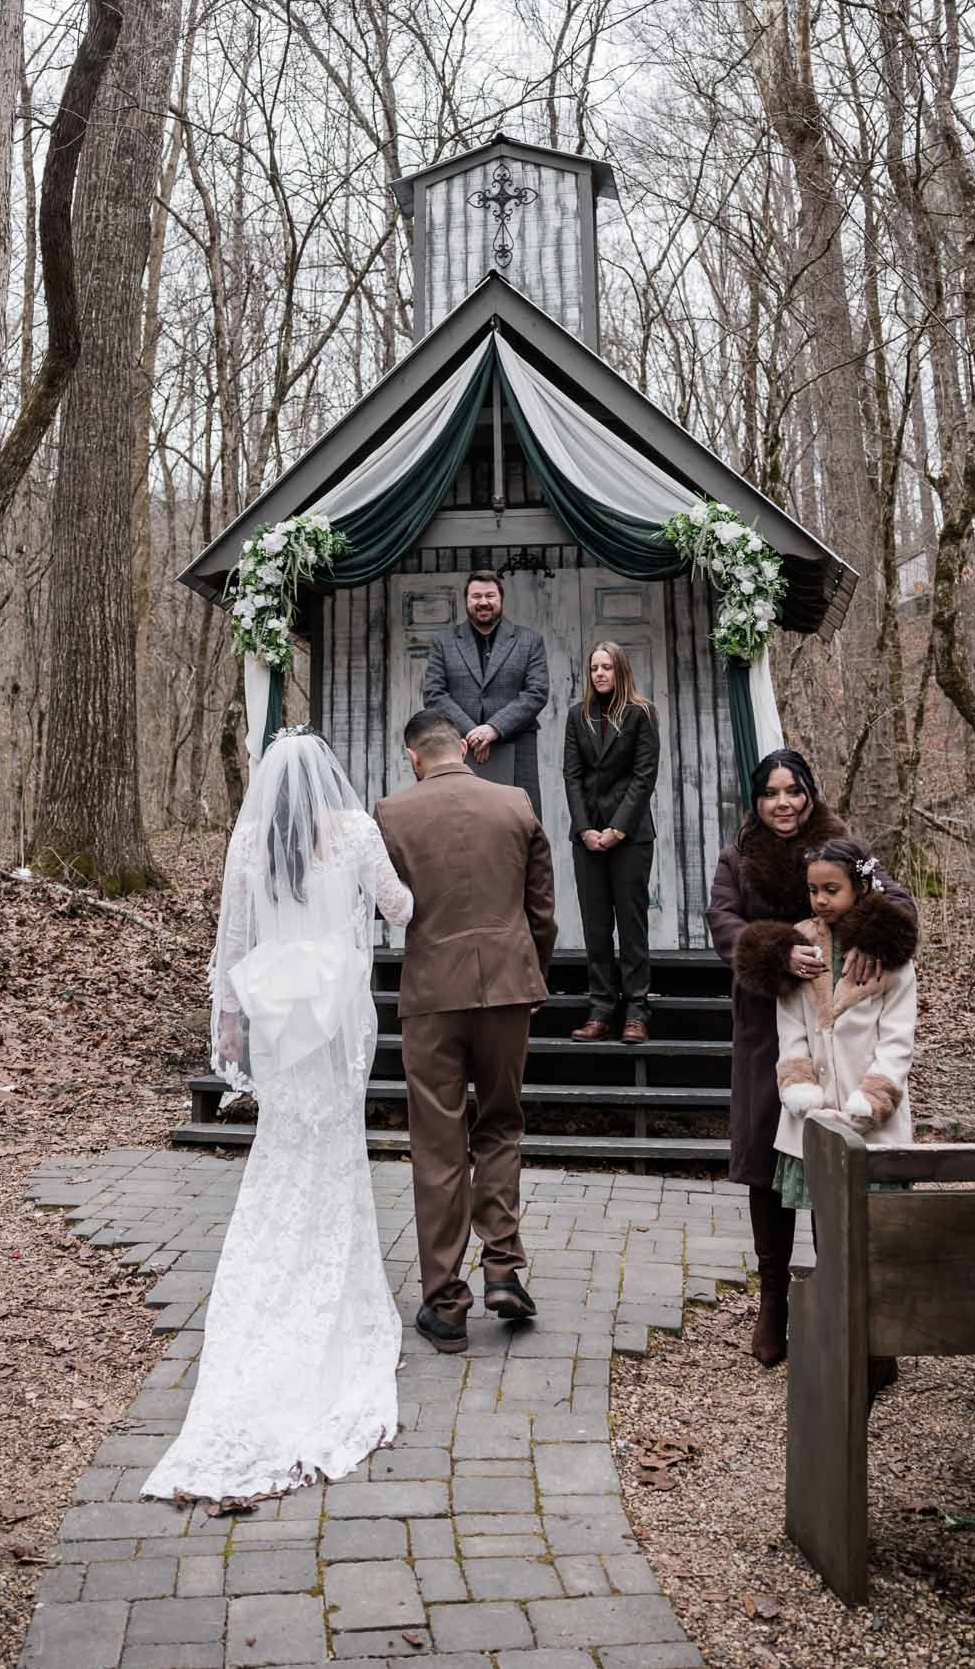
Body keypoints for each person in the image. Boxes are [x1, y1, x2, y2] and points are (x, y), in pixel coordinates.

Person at [143, 730, 413, 1502]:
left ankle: (278, 1258)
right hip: (336, 1017)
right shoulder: (357, 831)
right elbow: (397, 905)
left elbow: (232, 937)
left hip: (276, 1011)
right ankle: (337, 1275)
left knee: (284, 1136)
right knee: (336, 1141)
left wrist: (227, 1019)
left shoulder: (251, 840)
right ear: (329, 778)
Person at [707, 747, 918, 1367]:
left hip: (841, 1024)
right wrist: (777, 951)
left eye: (793, 790)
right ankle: (774, 1303)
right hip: (768, 1027)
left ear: (809, 792)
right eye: (771, 792)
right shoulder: (737, 857)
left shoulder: (842, 845)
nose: (783, 803)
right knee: (768, 1165)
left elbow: (898, 904)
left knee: (834, 1158)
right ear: (756, 799)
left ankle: (840, 1293)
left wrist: (870, 939)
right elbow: (722, 922)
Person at [375, 708, 555, 1356]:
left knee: (438, 1143)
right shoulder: (513, 803)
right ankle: (503, 1268)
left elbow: (384, 902)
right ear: (462, 750)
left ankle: (446, 1303)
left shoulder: (391, 813)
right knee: (501, 1123)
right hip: (507, 985)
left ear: (414, 757)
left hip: (431, 995)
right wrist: (531, 977)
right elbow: (541, 906)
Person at [771, 838, 919, 1197]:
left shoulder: (889, 953)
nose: (820, 899)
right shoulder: (799, 946)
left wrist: (872, 1099)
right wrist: (800, 1086)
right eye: (813, 890)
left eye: (832, 890)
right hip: (813, 1115)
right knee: (826, 1222)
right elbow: (790, 1024)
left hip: (874, 1121)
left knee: (874, 1226)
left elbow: (897, 1038)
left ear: (861, 887)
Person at [563, 641, 660, 1042]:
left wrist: (617, 829)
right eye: (594, 668)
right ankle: (601, 1009)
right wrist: (586, 829)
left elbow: (644, 775)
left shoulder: (641, 713)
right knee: (596, 926)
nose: (599, 674)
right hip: (587, 838)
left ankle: (636, 1010)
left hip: (630, 837)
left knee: (631, 924)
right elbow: (572, 775)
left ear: (620, 671)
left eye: (606, 667)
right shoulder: (577, 715)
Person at [421, 571, 550, 815]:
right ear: (466, 601)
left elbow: (537, 692)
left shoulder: (529, 641)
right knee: (463, 822)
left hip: (516, 747)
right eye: (476, 596)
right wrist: (473, 733)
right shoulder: (443, 642)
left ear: (501, 599)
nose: (483, 602)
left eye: (490, 595)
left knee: (520, 822)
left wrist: (493, 729)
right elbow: (434, 694)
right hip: (459, 750)